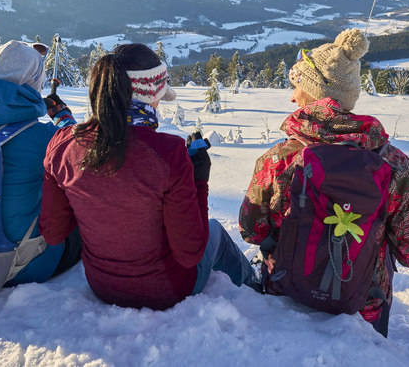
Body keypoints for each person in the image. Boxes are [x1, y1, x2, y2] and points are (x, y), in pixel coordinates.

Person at [238, 28, 409, 337]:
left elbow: (251, 230)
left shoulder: (279, 159)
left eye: (298, 87)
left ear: (316, 95)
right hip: (361, 314)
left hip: (286, 299)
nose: (292, 97)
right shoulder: (392, 164)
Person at [40, 43, 256, 310]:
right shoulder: (169, 153)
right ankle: (255, 287)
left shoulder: (62, 146)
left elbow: (53, 233)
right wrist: (198, 181)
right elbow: (190, 252)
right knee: (216, 232)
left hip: (101, 285)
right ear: (150, 97)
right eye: (159, 97)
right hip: (166, 289)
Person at [0, 39, 82, 286]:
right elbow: (81, 154)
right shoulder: (44, 138)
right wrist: (64, 118)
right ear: (32, 84)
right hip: (22, 264)